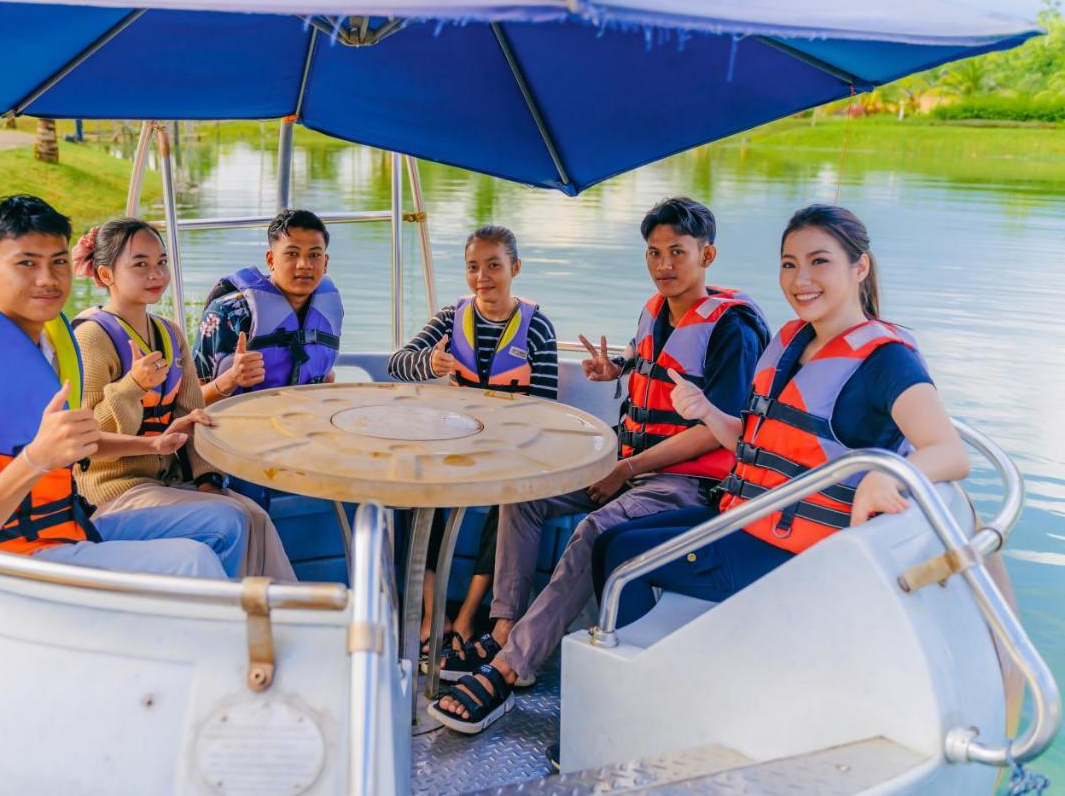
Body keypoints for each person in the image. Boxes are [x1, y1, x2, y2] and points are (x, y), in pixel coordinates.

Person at [429, 196, 769, 733]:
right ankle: (502, 628)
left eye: (678, 253)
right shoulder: (656, 310)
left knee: (592, 531)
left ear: (708, 255)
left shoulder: (734, 331)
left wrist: (625, 471)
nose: (664, 266)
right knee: (524, 493)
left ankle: (508, 666)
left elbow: (716, 428)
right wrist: (616, 370)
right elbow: (655, 369)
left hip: (685, 482)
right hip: (627, 460)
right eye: (654, 253)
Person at [592, 203, 968, 643]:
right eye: (789, 264)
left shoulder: (887, 362)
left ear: (859, 267)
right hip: (747, 515)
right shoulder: (793, 343)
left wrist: (888, 477)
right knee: (610, 541)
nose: (800, 279)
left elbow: (950, 452)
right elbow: (751, 443)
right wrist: (707, 411)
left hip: (797, 549)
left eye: (819, 262)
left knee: (623, 559)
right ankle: (646, 655)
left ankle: (639, 671)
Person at [0, 195, 248, 577]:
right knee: (192, 561)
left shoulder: (49, 346)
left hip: (63, 527)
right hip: (7, 557)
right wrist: (34, 460)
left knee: (226, 521)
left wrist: (153, 444)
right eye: (26, 263)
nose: (47, 279)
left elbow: (78, 440)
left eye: (58, 262)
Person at [70, 217, 295, 580]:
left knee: (255, 516)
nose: (155, 273)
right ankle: (220, 618)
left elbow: (193, 414)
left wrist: (207, 480)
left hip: (169, 483)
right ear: (106, 274)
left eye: (161, 262)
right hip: (112, 493)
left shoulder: (169, 333)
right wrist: (132, 385)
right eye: (140, 264)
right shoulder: (91, 338)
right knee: (228, 519)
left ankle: (279, 620)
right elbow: (86, 442)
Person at [386, 224, 558, 676]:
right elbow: (397, 363)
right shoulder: (449, 318)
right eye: (473, 267)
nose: (483, 276)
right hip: (454, 446)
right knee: (414, 487)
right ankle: (432, 615)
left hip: (509, 450)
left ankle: (467, 617)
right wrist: (429, 362)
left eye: (494, 266)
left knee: (509, 497)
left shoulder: (537, 329)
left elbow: (546, 409)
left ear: (514, 269)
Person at [193, 208, 341, 511]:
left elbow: (322, 374)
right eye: (292, 254)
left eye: (314, 255)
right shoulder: (228, 314)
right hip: (237, 442)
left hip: (305, 434)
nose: (304, 265)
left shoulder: (328, 307)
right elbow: (190, 404)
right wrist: (230, 379)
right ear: (271, 260)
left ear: (326, 262)